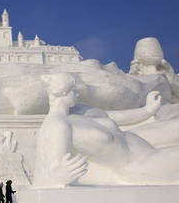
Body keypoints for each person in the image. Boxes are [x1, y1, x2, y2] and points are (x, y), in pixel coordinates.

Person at [33, 73, 179, 188]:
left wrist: (147, 110)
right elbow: (51, 166)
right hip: (142, 165)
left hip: (141, 140)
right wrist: (58, 176)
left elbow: (114, 117)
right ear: (64, 92)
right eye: (74, 91)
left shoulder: (79, 110)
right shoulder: (57, 125)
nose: (77, 95)